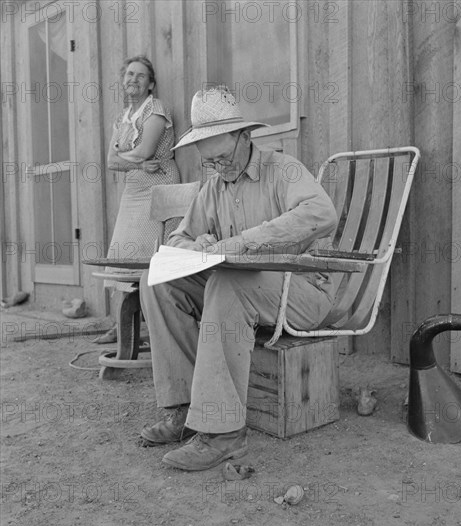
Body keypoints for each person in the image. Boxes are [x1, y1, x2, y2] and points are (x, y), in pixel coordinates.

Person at [139, 87, 337, 471]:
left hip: (304, 293)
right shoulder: (213, 186)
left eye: (224, 157)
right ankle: (185, 408)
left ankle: (224, 433)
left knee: (228, 283)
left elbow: (321, 213)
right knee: (159, 281)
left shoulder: (284, 169)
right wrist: (198, 243)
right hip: (250, 293)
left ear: (246, 137)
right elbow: (178, 237)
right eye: (210, 162)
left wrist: (242, 243)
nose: (220, 168)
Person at [95, 55, 180, 344]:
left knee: (149, 258)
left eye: (141, 75)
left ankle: (148, 327)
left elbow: (145, 152)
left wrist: (131, 161)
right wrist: (136, 165)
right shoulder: (122, 118)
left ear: (151, 84)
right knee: (122, 255)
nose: (133, 79)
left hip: (158, 185)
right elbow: (110, 161)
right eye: (129, 74)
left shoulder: (156, 110)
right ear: (123, 81)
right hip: (134, 188)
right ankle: (123, 325)